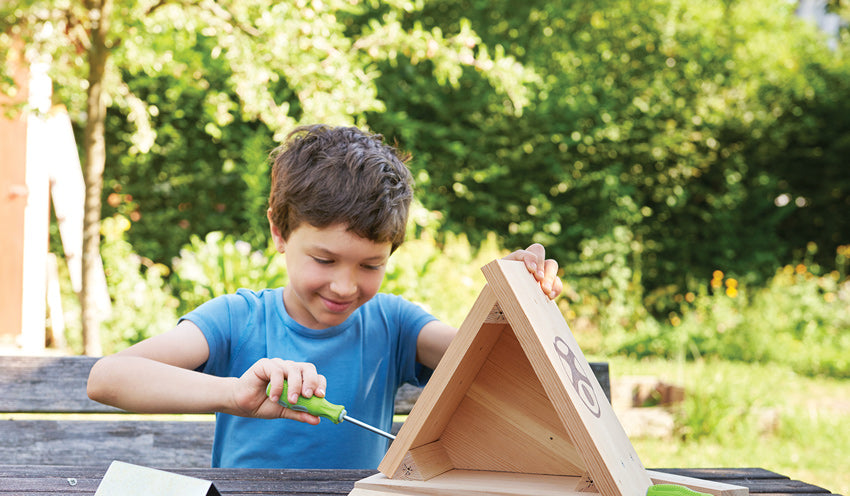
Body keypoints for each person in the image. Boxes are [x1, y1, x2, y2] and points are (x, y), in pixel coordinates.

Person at [87, 124, 563, 469]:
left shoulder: (394, 325)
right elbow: (108, 378)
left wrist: (516, 305)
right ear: (279, 230)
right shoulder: (238, 319)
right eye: (324, 259)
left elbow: (494, 362)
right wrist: (233, 393)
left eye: (371, 266)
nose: (344, 286)